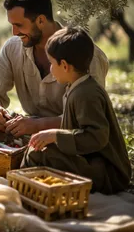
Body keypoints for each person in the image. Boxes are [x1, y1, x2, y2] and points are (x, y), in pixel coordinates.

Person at [0, 0, 109, 137]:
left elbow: (89, 119)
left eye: (19, 25)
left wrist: (38, 125)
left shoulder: (88, 55)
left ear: (41, 20)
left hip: (73, 141)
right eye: (12, 25)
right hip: (30, 135)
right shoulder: (12, 48)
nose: (14, 32)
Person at [22, 26, 131, 194]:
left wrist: (55, 135)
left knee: (41, 154)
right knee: (38, 148)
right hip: (91, 160)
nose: (50, 68)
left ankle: (25, 188)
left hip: (108, 172)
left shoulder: (86, 94)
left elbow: (97, 137)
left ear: (64, 65)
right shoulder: (76, 86)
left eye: (52, 63)